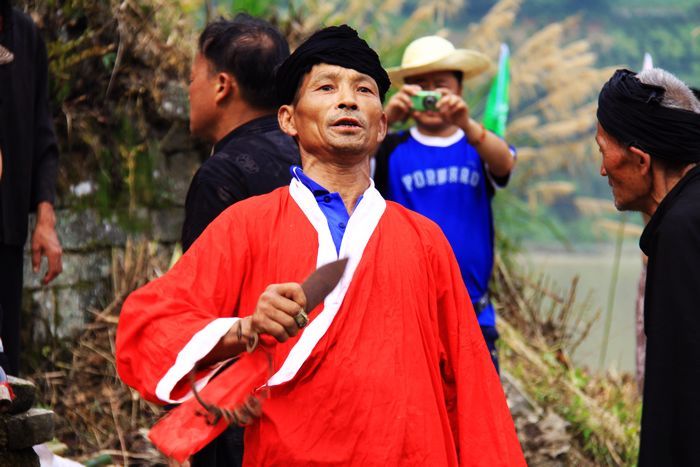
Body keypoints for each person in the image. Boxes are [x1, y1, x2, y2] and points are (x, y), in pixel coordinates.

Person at [116, 25, 524, 465]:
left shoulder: (425, 240)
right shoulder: (246, 225)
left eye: (364, 90)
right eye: (326, 87)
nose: (347, 99)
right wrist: (247, 328)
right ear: (288, 119)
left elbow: (469, 382)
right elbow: (149, 326)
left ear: (382, 123)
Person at [374, 36, 516, 371]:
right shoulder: (390, 147)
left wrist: (465, 123)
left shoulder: (476, 145)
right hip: (410, 314)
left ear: (460, 90)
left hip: (474, 313)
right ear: (406, 92)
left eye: (441, 86)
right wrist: (386, 119)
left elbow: (505, 164)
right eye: (421, 87)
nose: (432, 95)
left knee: (476, 416)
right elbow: (352, 166)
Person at [596, 67, 700, 466]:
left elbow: (683, 385)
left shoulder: (683, 230)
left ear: (639, 160)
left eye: (602, 149)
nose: (602, 169)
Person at [181, 14, 299, 252]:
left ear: (222, 86)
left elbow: (205, 287)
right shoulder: (313, 153)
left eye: (192, 78)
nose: (189, 90)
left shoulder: (221, 177)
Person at [0, 0, 63, 376]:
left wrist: (45, 217)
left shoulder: (25, 35)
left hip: (7, 234)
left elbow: (43, 136)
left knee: (7, 372)